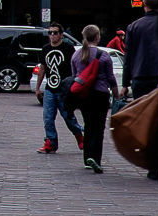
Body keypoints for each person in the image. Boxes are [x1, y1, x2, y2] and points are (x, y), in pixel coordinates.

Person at [70, 24, 121, 174]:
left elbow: (75, 77)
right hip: (100, 95)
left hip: (84, 95)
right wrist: (116, 94)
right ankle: (96, 159)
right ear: (97, 37)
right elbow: (111, 78)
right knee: (99, 128)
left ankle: (87, 159)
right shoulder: (103, 55)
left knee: (88, 125)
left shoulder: (76, 55)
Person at [32, 22, 83, 154]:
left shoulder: (68, 48)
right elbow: (42, 68)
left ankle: (79, 135)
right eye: (50, 33)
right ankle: (51, 142)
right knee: (48, 117)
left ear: (61, 35)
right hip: (50, 88)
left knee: (68, 117)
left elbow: (75, 68)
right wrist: (38, 88)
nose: (52, 35)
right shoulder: (45, 49)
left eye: (55, 32)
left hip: (64, 89)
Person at [124, 0, 158, 97]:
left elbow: (128, 57)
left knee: (141, 112)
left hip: (140, 76)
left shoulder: (133, 27)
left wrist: (125, 84)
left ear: (144, 4)